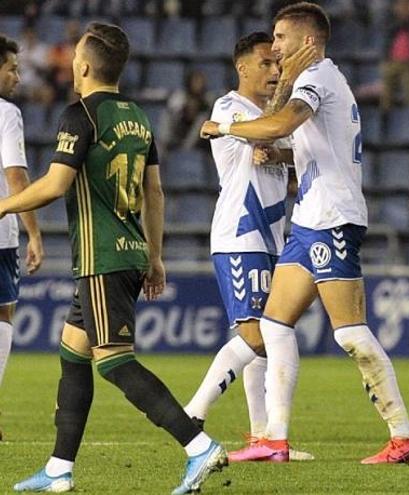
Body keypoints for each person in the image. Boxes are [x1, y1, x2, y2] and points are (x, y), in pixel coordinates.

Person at [2, 23, 226, 493]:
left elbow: (56, 183)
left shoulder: (80, 114)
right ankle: (59, 470)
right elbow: (155, 191)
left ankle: (198, 445)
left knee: (113, 361)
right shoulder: (139, 117)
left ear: (83, 66)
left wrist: (2, 204)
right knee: (72, 351)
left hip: (102, 255)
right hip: (125, 251)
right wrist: (156, 255)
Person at [199, 2, 409, 464]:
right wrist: (281, 158)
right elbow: (312, 149)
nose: (275, 47)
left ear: (308, 42)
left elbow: (283, 124)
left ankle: (403, 438)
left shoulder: (318, 77)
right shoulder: (315, 80)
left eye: (281, 39)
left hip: (332, 217)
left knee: (350, 334)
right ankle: (272, 440)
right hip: (308, 220)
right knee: (274, 325)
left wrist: (224, 126)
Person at [181, 31, 313, 462]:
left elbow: (295, 151)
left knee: (265, 336)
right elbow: (261, 135)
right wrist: (272, 141)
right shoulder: (229, 108)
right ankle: (193, 413)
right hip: (241, 235)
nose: (275, 72)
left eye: (278, 64)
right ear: (242, 68)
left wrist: (279, 155)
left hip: (272, 238)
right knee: (256, 336)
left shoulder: (275, 117)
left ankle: (262, 437)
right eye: (266, 64)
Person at [0, 34, 44, 442]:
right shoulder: (6, 113)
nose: (17, 75)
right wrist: (34, 232)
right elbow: (16, 176)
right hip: (0, 235)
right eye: (11, 67)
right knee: (1, 317)